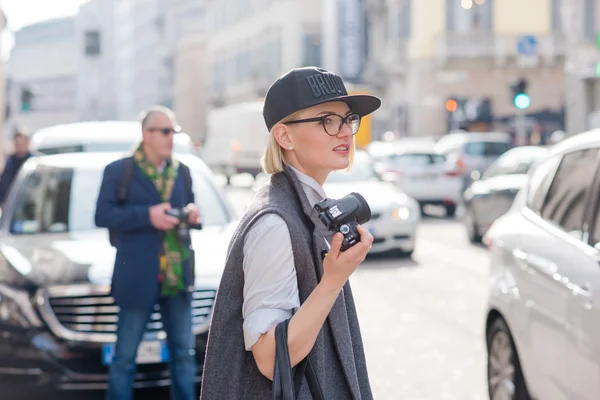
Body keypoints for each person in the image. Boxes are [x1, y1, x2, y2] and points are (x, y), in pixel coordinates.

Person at [200, 66, 380, 399]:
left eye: (348, 119)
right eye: (327, 119)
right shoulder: (274, 223)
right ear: (285, 136)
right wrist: (332, 281)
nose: (344, 132)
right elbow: (270, 358)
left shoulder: (308, 207)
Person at [95, 105, 201, 400]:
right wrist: (147, 216)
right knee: (125, 358)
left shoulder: (183, 172)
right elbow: (102, 215)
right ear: (146, 134)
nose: (171, 138)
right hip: (137, 276)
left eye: (174, 132)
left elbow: (190, 210)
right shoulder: (120, 171)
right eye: (166, 132)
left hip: (177, 277)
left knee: (183, 354)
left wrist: (193, 216)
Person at [0, 130, 33, 205]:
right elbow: (4, 183)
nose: (19, 146)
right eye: (17, 143)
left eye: (22, 143)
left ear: (27, 143)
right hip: (11, 204)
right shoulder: (9, 162)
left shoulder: (34, 162)